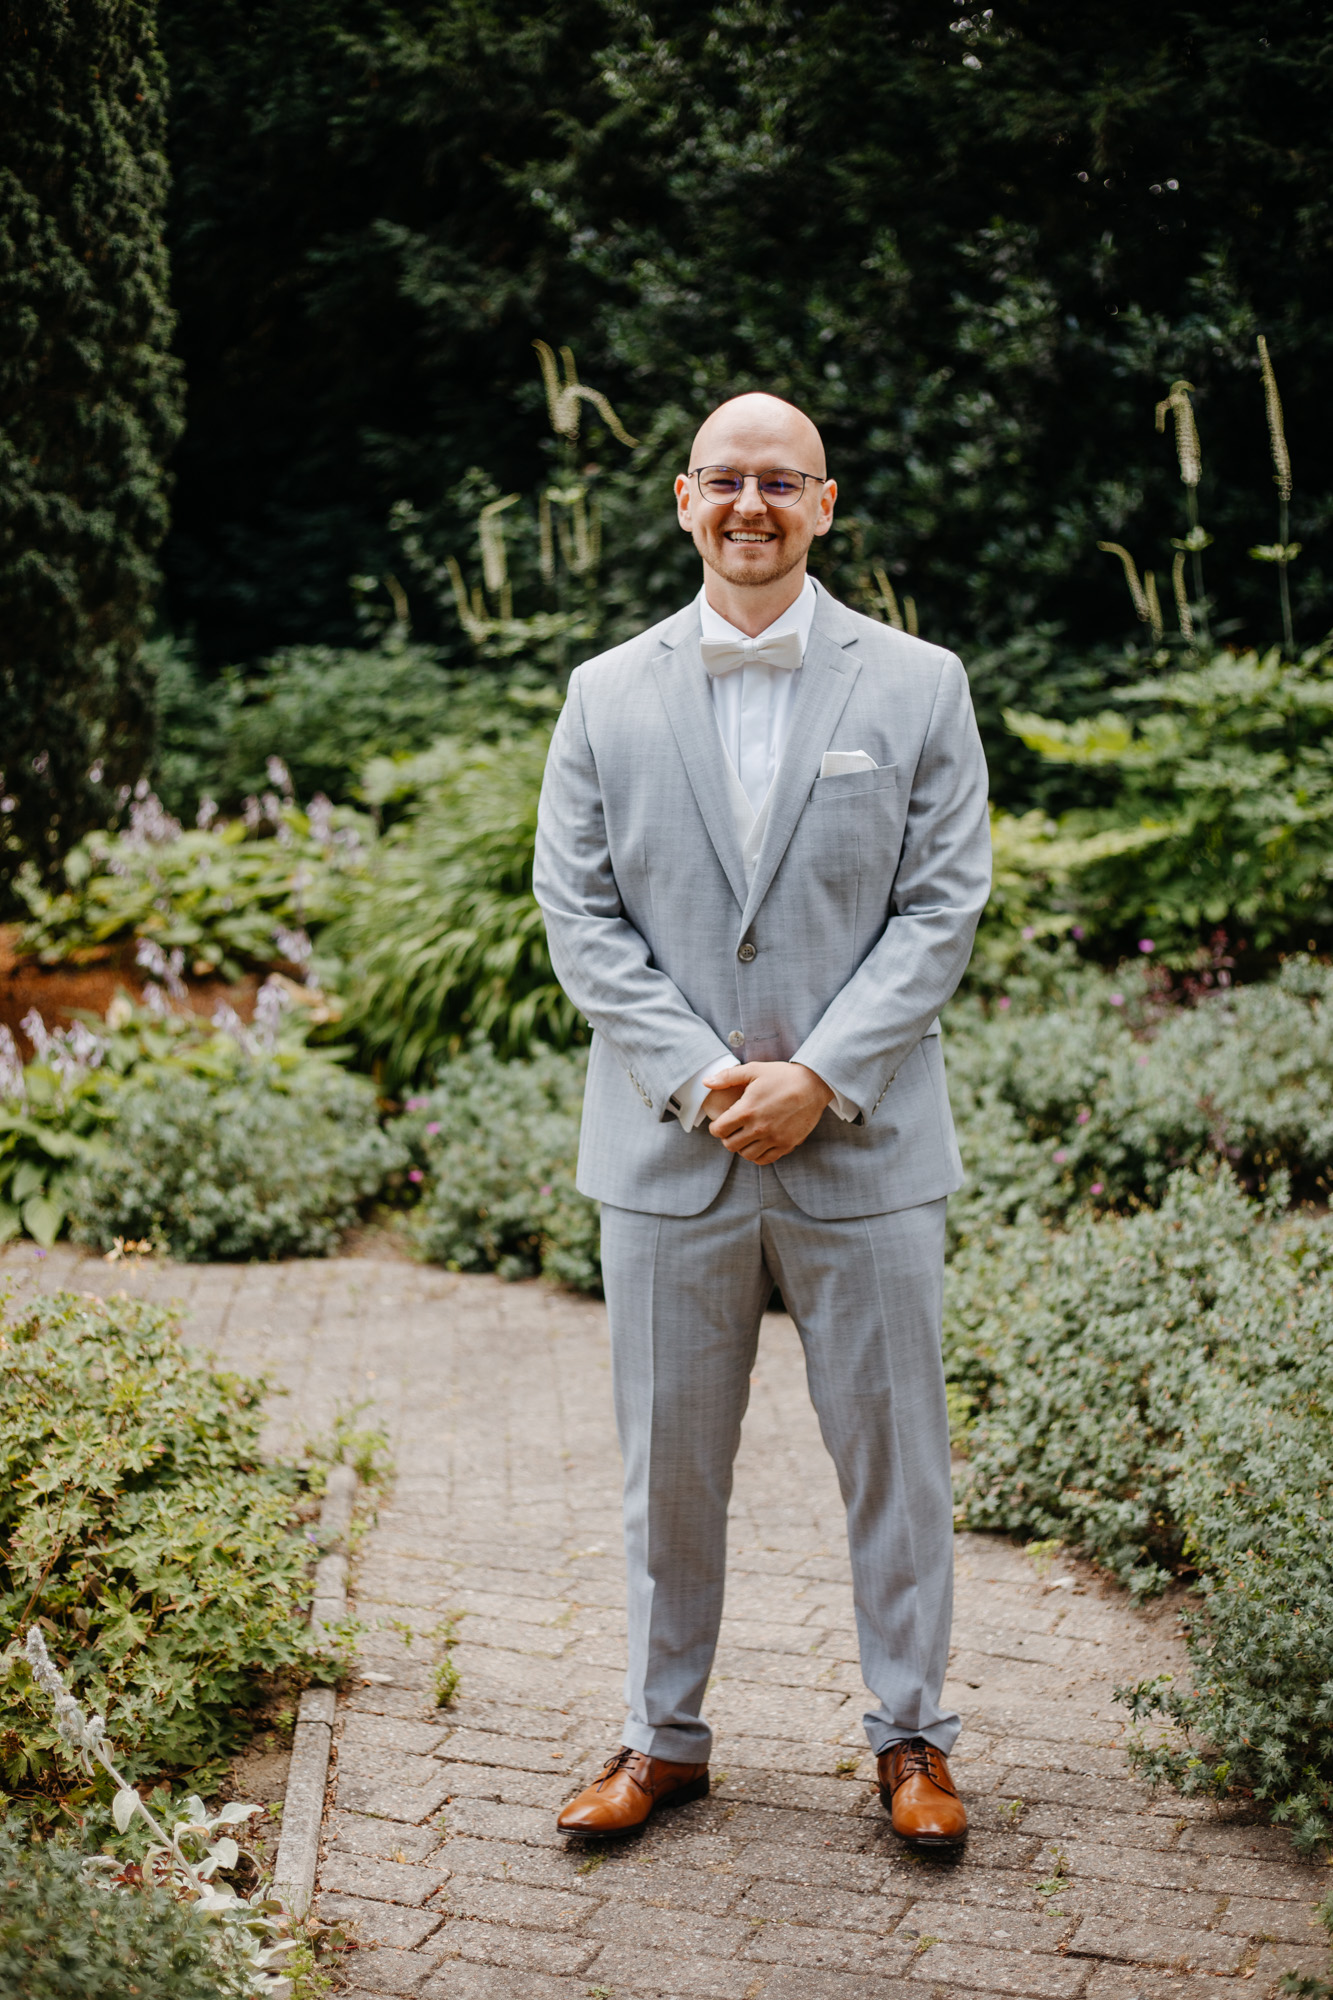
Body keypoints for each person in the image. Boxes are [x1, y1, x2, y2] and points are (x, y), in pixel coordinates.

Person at [532, 391, 991, 1847]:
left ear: (824, 504)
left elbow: (940, 906)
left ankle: (912, 1740)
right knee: (665, 1467)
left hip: (865, 1146)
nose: (750, 504)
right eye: (724, 480)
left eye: (778, 483)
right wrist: (698, 1078)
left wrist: (819, 1076)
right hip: (671, 1152)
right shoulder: (604, 691)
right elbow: (579, 909)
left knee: (895, 1462)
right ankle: (660, 1739)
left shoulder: (919, 684)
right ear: (682, 501)